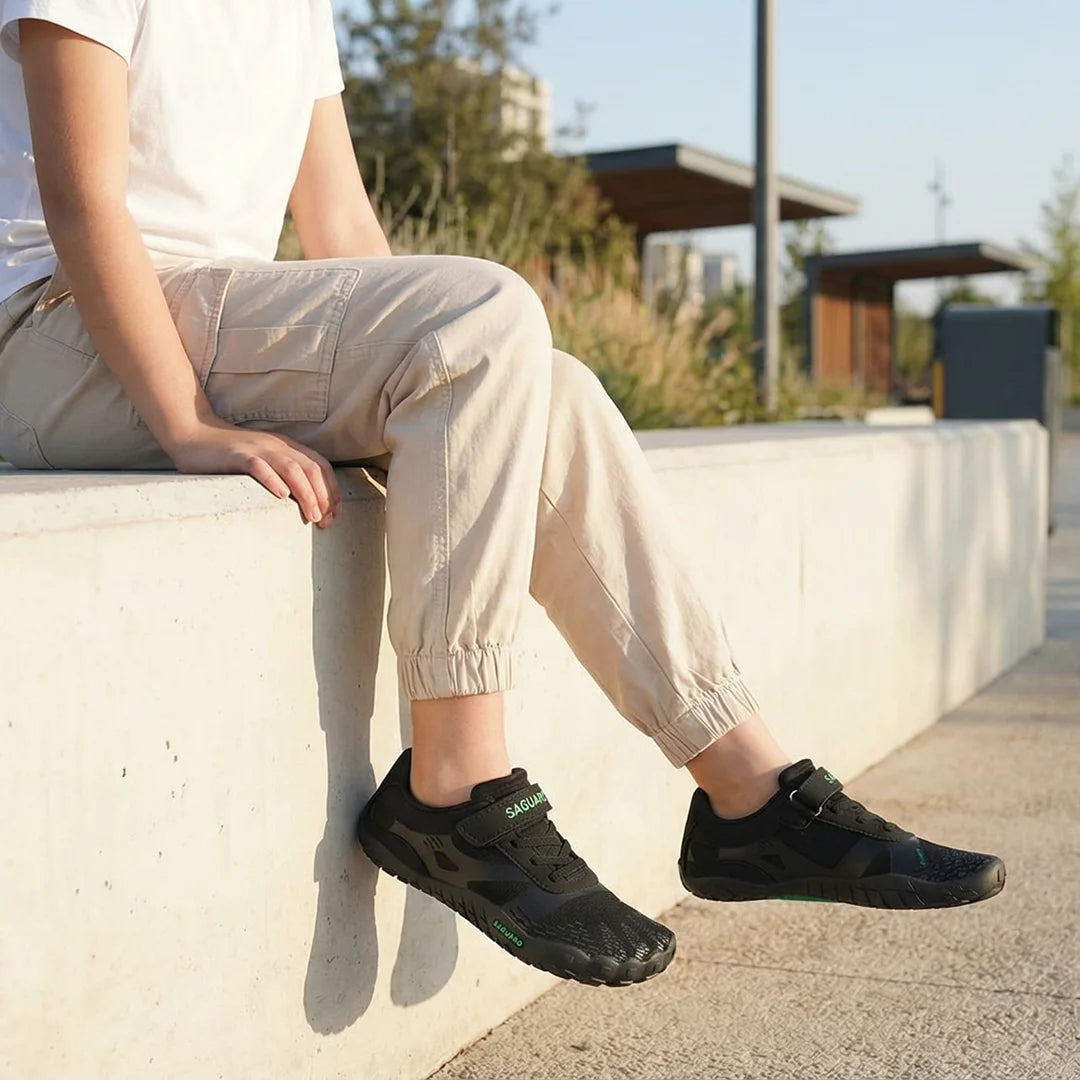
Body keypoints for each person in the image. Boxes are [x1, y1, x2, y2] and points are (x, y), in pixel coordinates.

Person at [0, 1, 1004, 990]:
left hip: (200, 316)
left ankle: (749, 791)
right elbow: (84, 200)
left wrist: (443, 379)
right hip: (54, 330)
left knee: (538, 378)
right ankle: (457, 785)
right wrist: (187, 422)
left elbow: (341, 222)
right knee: (480, 319)